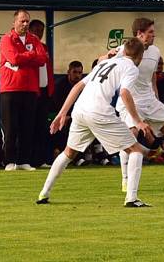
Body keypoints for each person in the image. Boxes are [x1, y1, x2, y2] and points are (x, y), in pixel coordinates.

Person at [37, 38, 153, 207]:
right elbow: (125, 93)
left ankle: (43, 194)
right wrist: (138, 121)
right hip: (99, 111)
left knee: (69, 153)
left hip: (80, 110)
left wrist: (62, 113)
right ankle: (131, 199)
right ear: (140, 56)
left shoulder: (104, 63)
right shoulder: (131, 68)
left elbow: (77, 87)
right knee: (135, 150)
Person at [104, 18, 164, 189]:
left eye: (153, 32)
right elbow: (101, 62)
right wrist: (107, 55)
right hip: (129, 100)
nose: (154, 35)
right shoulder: (123, 50)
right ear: (139, 34)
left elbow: (151, 77)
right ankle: (126, 179)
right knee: (131, 136)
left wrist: (156, 96)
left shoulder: (156, 51)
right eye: (150, 32)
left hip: (150, 100)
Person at [0, 10, 49, 171]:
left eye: (27, 21)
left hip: (30, 89)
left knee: (27, 127)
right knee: (11, 127)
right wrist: (31, 55)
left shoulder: (34, 39)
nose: (25, 24)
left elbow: (42, 59)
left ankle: (23, 161)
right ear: (15, 22)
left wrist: (25, 57)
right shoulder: (7, 39)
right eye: (22, 21)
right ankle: (9, 161)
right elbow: (13, 58)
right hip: (10, 88)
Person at [28, 19, 55, 169]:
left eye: (41, 31)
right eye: (36, 30)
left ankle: (41, 158)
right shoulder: (28, 47)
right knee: (30, 126)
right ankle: (29, 159)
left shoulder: (44, 47)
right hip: (32, 92)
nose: (39, 33)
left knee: (42, 127)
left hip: (45, 92)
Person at [51, 61, 84, 154]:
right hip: (57, 113)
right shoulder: (59, 85)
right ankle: (63, 152)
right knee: (65, 123)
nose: (77, 75)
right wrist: (66, 115)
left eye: (80, 73)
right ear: (68, 72)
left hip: (75, 115)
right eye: (74, 72)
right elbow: (57, 104)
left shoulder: (83, 85)